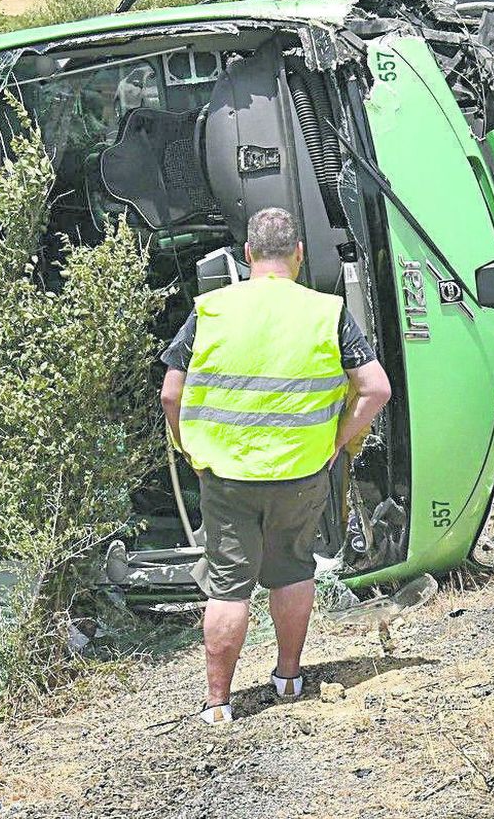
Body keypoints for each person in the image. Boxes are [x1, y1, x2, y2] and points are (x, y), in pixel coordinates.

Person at [159, 207, 391, 726]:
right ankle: (288, 678)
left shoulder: (211, 310)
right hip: (301, 472)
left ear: (247, 256)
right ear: (299, 256)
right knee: (291, 570)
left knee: (227, 585)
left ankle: (218, 703)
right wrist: (336, 440)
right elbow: (377, 389)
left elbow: (171, 393)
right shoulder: (327, 313)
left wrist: (190, 447)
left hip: (226, 475)